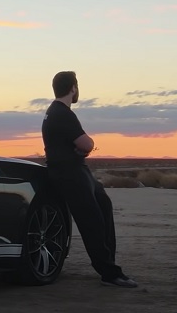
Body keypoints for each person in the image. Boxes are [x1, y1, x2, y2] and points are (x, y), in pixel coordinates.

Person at [41, 71, 138, 288]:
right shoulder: (62, 113)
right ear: (73, 88)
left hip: (77, 171)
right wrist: (87, 145)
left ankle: (109, 262)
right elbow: (86, 144)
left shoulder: (56, 112)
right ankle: (109, 273)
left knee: (103, 204)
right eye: (77, 86)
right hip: (70, 174)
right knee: (91, 221)